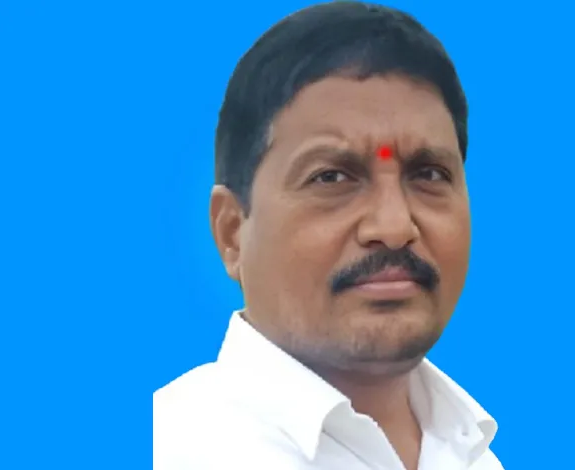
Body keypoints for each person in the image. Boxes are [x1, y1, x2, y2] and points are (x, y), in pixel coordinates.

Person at [153, 2, 504, 469]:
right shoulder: (176, 450)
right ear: (232, 232)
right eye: (332, 177)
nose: (394, 227)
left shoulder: (469, 450)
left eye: (429, 174)